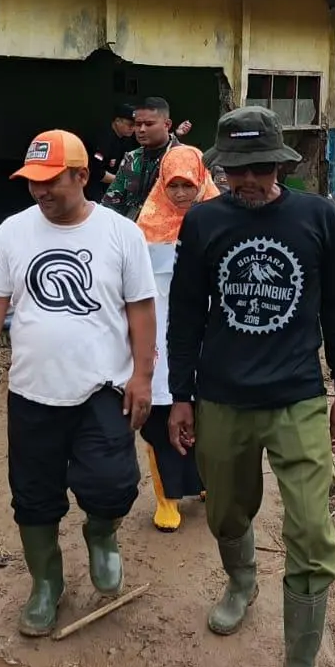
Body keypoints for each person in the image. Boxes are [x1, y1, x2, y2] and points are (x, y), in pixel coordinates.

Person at [166, 106, 335, 667]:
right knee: (225, 510)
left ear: (281, 166)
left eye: (259, 169)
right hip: (222, 396)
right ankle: (241, 581)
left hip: (299, 395)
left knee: (310, 530)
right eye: (237, 170)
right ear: (222, 169)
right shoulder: (204, 223)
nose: (248, 181)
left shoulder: (317, 217)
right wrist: (181, 395)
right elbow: (187, 312)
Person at [0, 130, 156, 637]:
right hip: (32, 393)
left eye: (51, 182)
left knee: (112, 486)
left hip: (102, 390)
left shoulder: (120, 234)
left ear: (81, 176)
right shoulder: (13, 232)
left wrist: (143, 375)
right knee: (33, 496)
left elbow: (141, 307)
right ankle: (46, 584)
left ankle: (100, 534)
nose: (40, 192)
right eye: (32, 183)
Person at [133, 145, 218, 531]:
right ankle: (166, 497)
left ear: (202, 180)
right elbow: (132, 289)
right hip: (162, 333)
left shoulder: (221, 219)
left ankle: (205, 483)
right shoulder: (143, 230)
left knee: (210, 411)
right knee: (162, 414)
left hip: (208, 330)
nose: (182, 193)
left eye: (188, 185)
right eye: (174, 185)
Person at [102, 96, 180, 219]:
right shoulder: (132, 158)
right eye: (138, 124)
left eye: (149, 124)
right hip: (133, 230)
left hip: (171, 232)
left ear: (167, 124)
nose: (141, 130)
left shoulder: (185, 157)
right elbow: (110, 202)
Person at [87, 104, 138, 200]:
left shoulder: (127, 139)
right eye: (130, 124)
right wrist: (123, 181)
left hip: (113, 189)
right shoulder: (103, 139)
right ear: (117, 121)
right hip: (95, 191)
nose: (133, 128)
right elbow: (97, 172)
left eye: (135, 125)